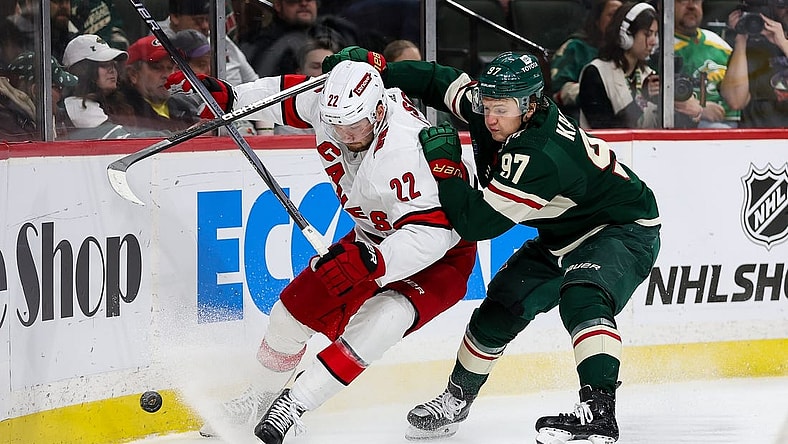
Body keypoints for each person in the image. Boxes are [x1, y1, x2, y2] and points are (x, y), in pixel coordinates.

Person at [322, 47, 661, 443]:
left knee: (583, 294)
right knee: (500, 305)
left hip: (621, 228)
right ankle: (455, 400)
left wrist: (446, 170)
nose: (491, 118)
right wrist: (377, 68)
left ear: (531, 105)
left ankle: (598, 412)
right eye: (487, 105)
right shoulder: (497, 108)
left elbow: (476, 223)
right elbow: (438, 81)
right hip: (561, 234)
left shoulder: (539, 153)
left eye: (503, 109)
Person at [175, 60, 477, 443]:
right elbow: (282, 97)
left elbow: (430, 233)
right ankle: (259, 397)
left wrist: (374, 264)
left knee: (383, 319)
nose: (346, 135)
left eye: (356, 126)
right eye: (337, 126)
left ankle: (293, 404)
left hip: (440, 254)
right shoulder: (333, 106)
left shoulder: (406, 149)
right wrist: (231, 97)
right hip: (371, 239)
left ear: (379, 111)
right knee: (290, 315)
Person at [578, 2, 705, 128]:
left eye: (655, 34)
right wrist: (642, 99)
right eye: (647, 34)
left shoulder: (649, 75)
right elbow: (606, 129)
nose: (653, 42)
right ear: (625, 35)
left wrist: (689, 114)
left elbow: (671, 131)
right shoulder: (595, 73)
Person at [61, 34, 165, 139]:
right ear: (83, 71)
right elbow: (126, 142)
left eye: (112, 64)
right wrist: (170, 137)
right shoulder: (76, 105)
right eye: (104, 65)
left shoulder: (122, 100)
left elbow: (158, 126)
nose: (112, 70)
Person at [550, 0, 623, 121]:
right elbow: (560, 90)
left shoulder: (628, 52)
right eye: (612, 15)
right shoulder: (576, 47)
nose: (617, 21)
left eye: (621, 16)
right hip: (580, 117)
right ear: (597, 19)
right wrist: (595, 92)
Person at [720, 0, 788, 127]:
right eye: (781, 6)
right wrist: (741, 37)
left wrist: (783, 44)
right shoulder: (751, 50)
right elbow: (736, 101)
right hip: (756, 138)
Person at [159, 0, 258, 86]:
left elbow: (252, 79)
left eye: (207, 19)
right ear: (175, 17)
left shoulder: (216, 36)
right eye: (198, 20)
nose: (205, 26)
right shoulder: (160, 41)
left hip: (239, 100)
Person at [674, 0, 741, 128]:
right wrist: (699, 108)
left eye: (696, 1)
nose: (691, 6)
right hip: (690, 127)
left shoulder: (718, 42)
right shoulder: (659, 47)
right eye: (683, 1)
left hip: (735, 123)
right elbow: (653, 91)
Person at [116, 35, 199, 132]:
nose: (167, 75)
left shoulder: (184, 105)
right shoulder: (123, 112)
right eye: (157, 68)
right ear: (133, 74)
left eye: (170, 68)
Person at [272, 37, 340, 135]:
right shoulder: (287, 119)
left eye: (329, 67)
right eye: (316, 67)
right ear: (299, 73)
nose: (323, 72)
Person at [4, 51, 79, 139]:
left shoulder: (54, 119)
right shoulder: (8, 124)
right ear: (36, 91)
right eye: (56, 87)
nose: (61, 94)